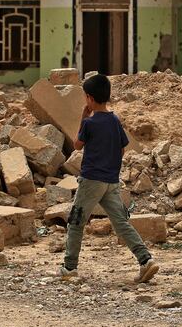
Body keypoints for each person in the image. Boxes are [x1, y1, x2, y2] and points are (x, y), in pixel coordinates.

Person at [58, 73, 159, 283]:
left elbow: (77, 145)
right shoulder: (114, 120)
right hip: (111, 181)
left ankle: (69, 267)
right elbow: (122, 149)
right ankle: (145, 260)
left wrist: (83, 119)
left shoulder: (90, 124)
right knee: (121, 222)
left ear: (90, 99)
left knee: (76, 221)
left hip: (91, 180)